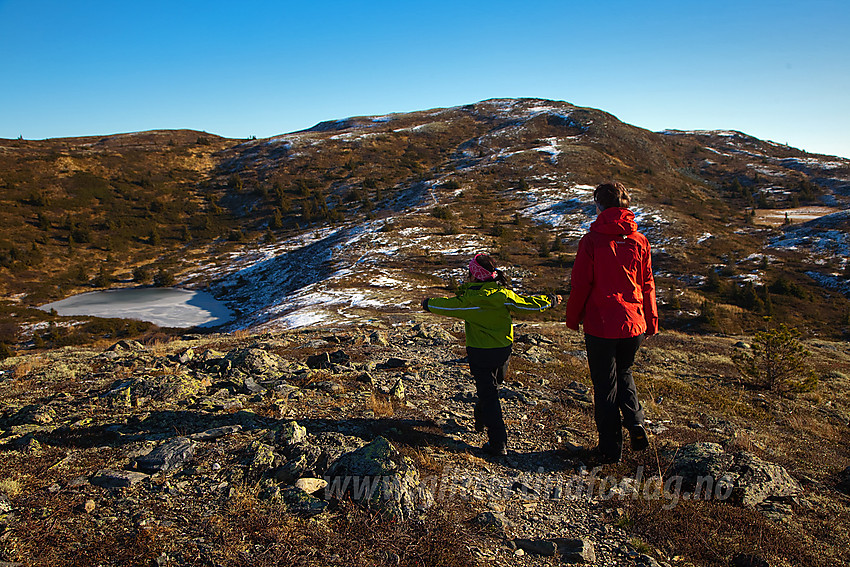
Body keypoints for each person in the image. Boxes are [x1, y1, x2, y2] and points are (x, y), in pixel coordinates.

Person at [423, 253, 561, 456]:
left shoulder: (468, 301)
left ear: (474, 276)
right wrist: (549, 301)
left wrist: (427, 303)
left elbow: (444, 305)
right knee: (492, 389)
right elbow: (528, 304)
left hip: (479, 352)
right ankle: (484, 418)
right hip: (502, 350)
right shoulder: (503, 296)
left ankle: (498, 442)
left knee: (489, 395)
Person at [564, 182, 658, 464]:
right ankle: (635, 420)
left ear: (599, 206)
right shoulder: (640, 241)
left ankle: (610, 450)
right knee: (625, 371)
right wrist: (651, 320)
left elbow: (581, 284)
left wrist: (572, 318)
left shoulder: (591, 241)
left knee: (605, 386)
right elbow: (648, 284)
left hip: (601, 324)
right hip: (633, 324)